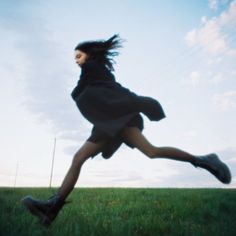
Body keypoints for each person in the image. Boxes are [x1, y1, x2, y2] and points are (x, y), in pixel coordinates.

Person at [22, 34, 231, 226]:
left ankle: (204, 160)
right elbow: (100, 92)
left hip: (119, 120)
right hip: (108, 123)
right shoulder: (94, 73)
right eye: (75, 58)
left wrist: (138, 102)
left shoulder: (92, 67)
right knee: (81, 158)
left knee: (151, 152)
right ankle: (51, 208)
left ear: (89, 55)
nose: (76, 60)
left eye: (79, 56)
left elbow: (110, 92)